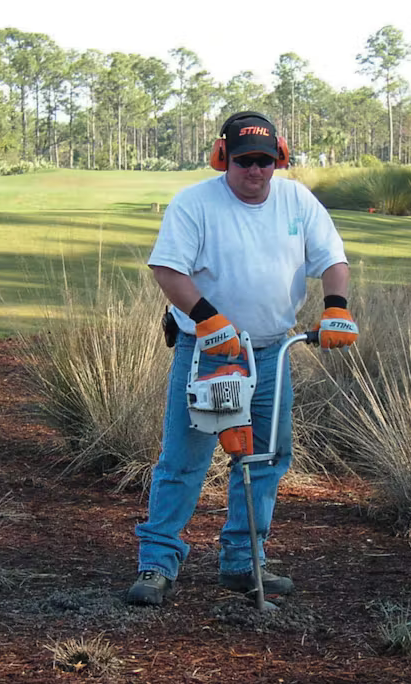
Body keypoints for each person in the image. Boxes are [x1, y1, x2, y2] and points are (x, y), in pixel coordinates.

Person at [126, 111, 358, 606]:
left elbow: (332, 259)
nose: (255, 170)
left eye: (265, 161)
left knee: (264, 458)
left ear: (280, 159)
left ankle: (243, 562)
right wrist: (208, 319)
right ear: (222, 157)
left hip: (271, 351)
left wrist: (336, 307)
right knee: (184, 460)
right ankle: (157, 564)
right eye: (244, 160)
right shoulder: (195, 204)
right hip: (208, 352)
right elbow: (168, 269)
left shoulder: (297, 200)